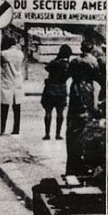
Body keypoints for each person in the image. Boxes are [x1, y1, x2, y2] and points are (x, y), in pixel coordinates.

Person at [65, 40, 100, 176]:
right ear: (91, 49)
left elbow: (69, 73)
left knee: (73, 128)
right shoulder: (94, 61)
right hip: (88, 90)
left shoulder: (75, 61)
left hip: (76, 90)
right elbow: (96, 76)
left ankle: (72, 166)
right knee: (86, 126)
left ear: (81, 48)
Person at [41, 45, 72, 140]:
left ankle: (47, 134)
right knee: (60, 113)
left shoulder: (54, 63)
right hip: (61, 90)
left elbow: (47, 68)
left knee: (48, 112)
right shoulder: (67, 65)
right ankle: (58, 134)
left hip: (50, 89)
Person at [0, 35, 24, 135]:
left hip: (7, 81)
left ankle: (2, 128)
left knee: (4, 107)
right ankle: (16, 128)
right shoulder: (20, 54)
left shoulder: (4, 54)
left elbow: (0, 65)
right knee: (17, 107)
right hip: (18, 81)